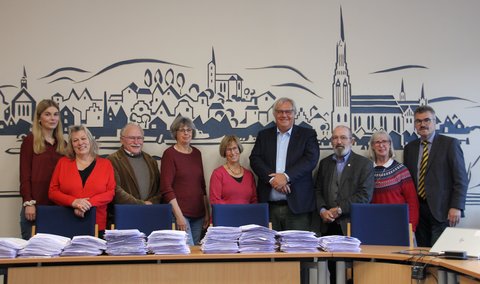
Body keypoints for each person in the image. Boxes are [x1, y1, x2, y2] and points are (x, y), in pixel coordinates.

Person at [250, 97, 319, 231]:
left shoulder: (307, 135)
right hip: (269, 208)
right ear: (274, 114)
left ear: (294, 114)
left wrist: (286, 177)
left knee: (297, 250)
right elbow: (255, 159)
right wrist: (273, 180)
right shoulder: (263, 135)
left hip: (298, 208)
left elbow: (311, 160)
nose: (284, 115)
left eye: (288, 111)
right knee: (269, 250)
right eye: (280, 112)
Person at [315, 125, 374, 283]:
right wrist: (322, 210)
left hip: (352, 226)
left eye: (343, 137)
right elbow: (318, 190)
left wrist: (339, 209)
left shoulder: (364, 164)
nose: (339, 141)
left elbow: (364, 196)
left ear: (352, 140)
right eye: (335, 138)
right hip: (329, 226)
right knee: (333, 272)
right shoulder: (325, 163)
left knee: (355, 274)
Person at [403, 105, 468, 247]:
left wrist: (456, 206)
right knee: (422, 254)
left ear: (435, 122)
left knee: (439, 254)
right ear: (415, 125)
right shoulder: (410, 148)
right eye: (418, 121)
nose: (423, 124)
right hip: (419, 211)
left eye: (427, 120)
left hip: (443, 210)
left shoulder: (450, 144)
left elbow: (461, 179)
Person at [49, 125, 115, 236]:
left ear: (90, 140)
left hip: (97, 225)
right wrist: (74, 202)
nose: (80, 143)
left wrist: (86, 204)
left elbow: (110, 193)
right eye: (75, 140)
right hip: (67, 222)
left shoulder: (106, 164)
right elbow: (52, 192)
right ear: (71, 144)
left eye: (83, 138)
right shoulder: (62, 163)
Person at [19, 99, 66, 240]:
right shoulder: (30, 141)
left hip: (58, 208)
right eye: (47, 114)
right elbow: (24, 175)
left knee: (55, 255)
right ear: (39, 118)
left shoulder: (63, 144)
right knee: (32, 255)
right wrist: (29, 203)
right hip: (35, 207)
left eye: (56, 114)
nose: (53, 118)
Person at [160, 116, 209, 245]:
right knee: (188, 254)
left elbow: (202, 185)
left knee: (197, 254)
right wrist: (179, 216)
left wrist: (207, 213)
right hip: (182, 214)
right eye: (182, 130)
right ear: (175, 133)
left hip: (199, 214)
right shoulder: (169, 154)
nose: (186, 133)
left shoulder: (197, 153)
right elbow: (166, 188)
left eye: (189, 130)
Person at [368, 130, 419, 232]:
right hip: (375, 225)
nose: (381, 145)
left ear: (390, 144)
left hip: (399, 224)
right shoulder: (367, 170)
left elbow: (412, 202)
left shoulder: (401, 170)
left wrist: (411, 227)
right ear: (372, 146)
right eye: (377, 142)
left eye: (384, 141)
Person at [107, 123, 161, 205]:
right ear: (121, 140)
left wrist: (152, 202)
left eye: (139, 138)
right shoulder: (112, 160)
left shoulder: (151, 160)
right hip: (125, 214)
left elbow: (159, 188)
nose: (136, 142)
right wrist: (140, 204)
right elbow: (115, 189)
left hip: (150, 211)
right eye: (131, 138)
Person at [209, 135, 257, 205]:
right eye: (229, 149)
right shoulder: (218, 174)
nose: (233, 152)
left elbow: (254, 201)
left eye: (235, 148)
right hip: (225, 215)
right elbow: (215, 201)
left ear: (239, 149)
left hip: (246, 215)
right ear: (224, 152)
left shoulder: (249, 175)